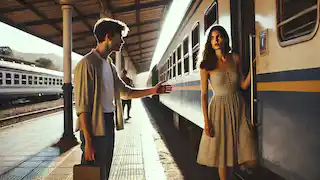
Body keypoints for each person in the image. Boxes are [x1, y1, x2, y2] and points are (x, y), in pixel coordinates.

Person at [73, 17, 172, 180]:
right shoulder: (87, 64)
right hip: (95, 127)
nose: (123, 42)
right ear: (108, 37)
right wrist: (89, 142)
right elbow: (82, 107)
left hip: (107, 123)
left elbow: (126, 92)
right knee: (92, 173)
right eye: (121, 37)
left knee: (103, 172)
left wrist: (153, 91)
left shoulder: (109, 65)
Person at [196, 25, 256, 180]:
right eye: (212, 38)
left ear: (225, 39)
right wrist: (206, 122)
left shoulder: (235, 58)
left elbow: (243, 85)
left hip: (238, 106)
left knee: (244, 149)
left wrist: (255, 65)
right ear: (209, 42)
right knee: (223, 154)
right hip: (218, 109)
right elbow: (203, 95)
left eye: (219, 36)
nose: (216, 40)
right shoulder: (205, 65)